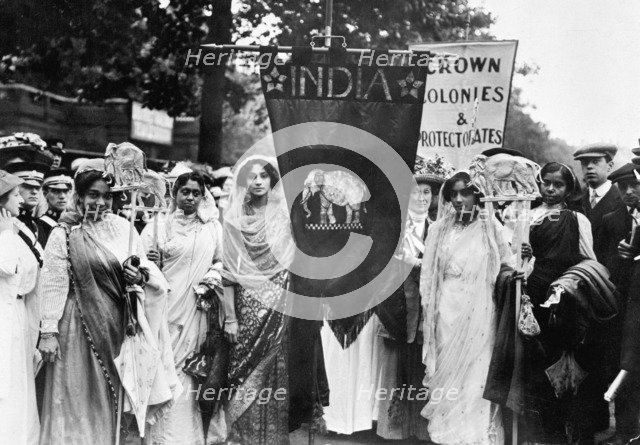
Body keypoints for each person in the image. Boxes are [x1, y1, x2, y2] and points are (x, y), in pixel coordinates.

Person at [37, 163, 177, 444]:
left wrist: (139, 275)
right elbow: (53, 282)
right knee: (77, 392)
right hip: (77, 325)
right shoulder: (64, 232)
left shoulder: (123, 228)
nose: (100, 202)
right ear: (79, 196)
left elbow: (146, 270)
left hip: (117, 324)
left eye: (107, 196)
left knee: (112, 391)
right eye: (93, 195)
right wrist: (49, 331)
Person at [520, 162, 617, 444]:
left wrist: (568, 285)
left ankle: (568, 431)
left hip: (561, 304)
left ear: (568, 189)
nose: (550, 189)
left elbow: (589, 262)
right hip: (529, 298)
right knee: (532, 364)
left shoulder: (576, 220)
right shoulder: (526, 215)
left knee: (562, 366)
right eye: (546, 183)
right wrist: (523, 252)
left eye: (558, 185)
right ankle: (539, 431)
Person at [420, 171, 512, 444]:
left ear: (477, 196)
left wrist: (520, 264)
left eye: (465, 193)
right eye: (454, 195)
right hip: (446, 309)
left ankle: (475, 437)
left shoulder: (491, 227)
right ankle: (447, 436)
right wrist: (430, 310)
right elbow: (427, 275)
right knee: (448, 375)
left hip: (481, 311)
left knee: (476, 374)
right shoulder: (439, 229)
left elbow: (507, 266)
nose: (459, 200)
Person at [141, 171, 223, 445]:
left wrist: (211, 281)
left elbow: (221, 262)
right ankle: (157, 436)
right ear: (175, 194)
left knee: (188, 370)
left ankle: (185, 437)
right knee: (163, 365)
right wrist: (152, 261)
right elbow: (139, 265)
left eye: (195, 192)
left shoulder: (211, 226)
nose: (190, 197)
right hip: (163, 305)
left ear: (203, 196)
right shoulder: (158, 225)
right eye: (184, 191)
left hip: (195, 307)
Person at [220, 156, 294, 444]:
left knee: (274, 368)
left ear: (272, 180)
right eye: (252, 176)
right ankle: (240, 437)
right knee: (242, 368)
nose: (259, 181)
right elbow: (228, 272)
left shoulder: (285, 218)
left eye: (264, 176)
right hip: (246, 303)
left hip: (279, 301)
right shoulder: (233, 220)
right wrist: (230, 317)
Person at [375, 159, 448, 441]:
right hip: (396, 305)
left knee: (421, 367)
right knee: (395, 368)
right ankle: (394, 430)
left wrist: (416, 263)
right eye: (416, 191)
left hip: (426, 307)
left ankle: (420, 430)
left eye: (427, 193)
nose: (421, 197)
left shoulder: (439, 228)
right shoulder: (395, 228)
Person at [600, 162, 640, 445]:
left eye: (634, 186)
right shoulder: (613, 219)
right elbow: (601, 261)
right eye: (622, 187)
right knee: (624, 364)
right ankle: (625, 430)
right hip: (622, 306)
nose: (628, 192)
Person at [0, 170, 40, 444]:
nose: (20, 200)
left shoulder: (15, 228)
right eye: (15, 195)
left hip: (18, 312)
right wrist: (5, 235)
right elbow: (8, 267)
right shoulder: (5, 233)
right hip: (5, 312)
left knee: (19, 380)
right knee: (8, 380)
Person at [574, 143, 625, 263]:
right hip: (578, 272)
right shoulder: (575, 201)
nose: (589, 167)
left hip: (610, 276)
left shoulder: (623, 202)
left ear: (609, 166)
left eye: (596, 162)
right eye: (585, 163)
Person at [39, 169, 73, 244]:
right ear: (45, 194)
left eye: (65, 191)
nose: (62, 196)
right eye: (56, 191)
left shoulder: (75, 224)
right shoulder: (39, 225)